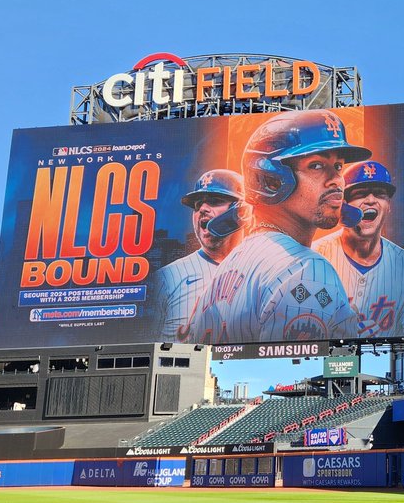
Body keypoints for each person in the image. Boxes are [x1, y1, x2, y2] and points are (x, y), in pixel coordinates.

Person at [190, 110, 369, 343]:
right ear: (271, 180)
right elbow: (296, 367)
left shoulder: (225, 271)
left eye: (337, 166)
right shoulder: (305, 269)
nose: (336, 179)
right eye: (316, 166)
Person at [314, 161, 404, 338]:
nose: (370, 200)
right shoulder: (315, 256)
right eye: (360, 194)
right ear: (343, 204)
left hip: (379, 359)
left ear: (388, 205)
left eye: (380, 194)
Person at [156, 169, 246, 341]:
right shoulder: (167, 277)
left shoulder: (266, 270)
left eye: (215, 201)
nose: (203, 209)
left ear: (242, 211)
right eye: (197, 205)